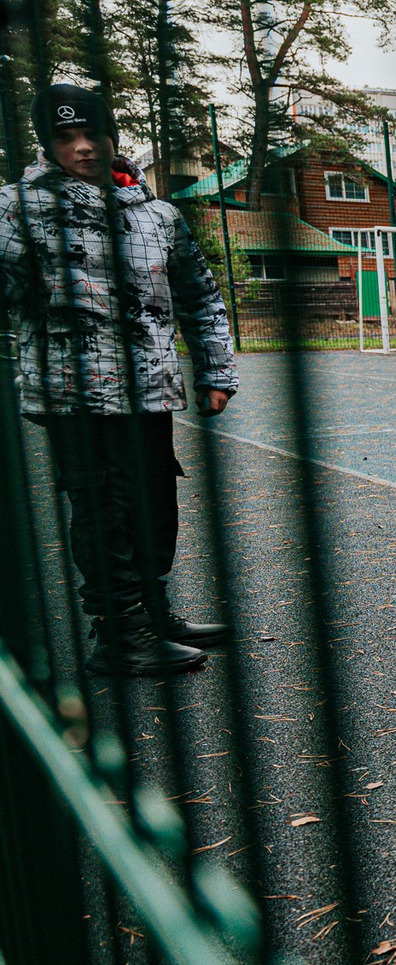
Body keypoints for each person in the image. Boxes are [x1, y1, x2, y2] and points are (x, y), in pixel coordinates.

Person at [0, 84, 236, 677]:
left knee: (155, 499)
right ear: (47, 145)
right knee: (104, 504)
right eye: (65, 137)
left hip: (148, 386)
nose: (82, 148)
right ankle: (120, 630)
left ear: (113, 137)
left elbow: (200, 298)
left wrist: (215, 371)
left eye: (92, 134)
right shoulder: (14, 209)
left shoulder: (156, 215)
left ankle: (150, 610)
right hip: (69, 390)